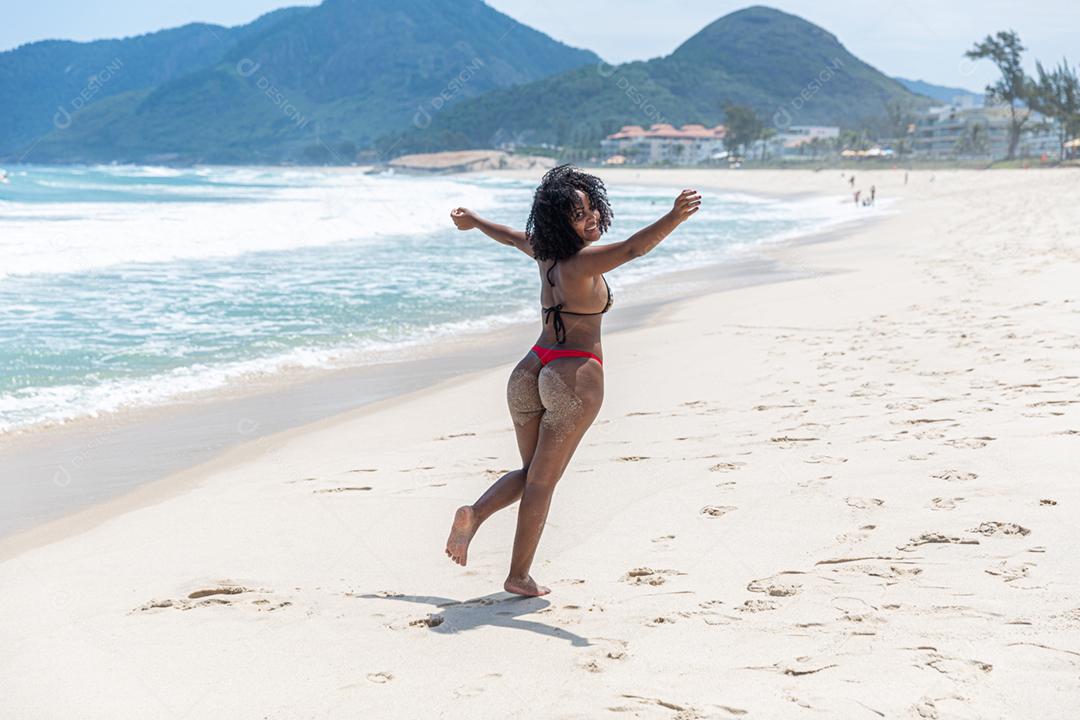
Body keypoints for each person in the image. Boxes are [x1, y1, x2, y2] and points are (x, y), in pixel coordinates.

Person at [445, 164, 701, 596]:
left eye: (592, 209)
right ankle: (517, 576)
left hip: (529, 369)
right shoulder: (584, 262)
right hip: (572, 373)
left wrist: (473, 222)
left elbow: (509, 235)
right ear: (558, 220)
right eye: (579, 213)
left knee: (532, 473)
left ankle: (475, 514)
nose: (592, 218)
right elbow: (636, 248)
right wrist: (675, 216)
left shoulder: (545, 252)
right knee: (543, 481)